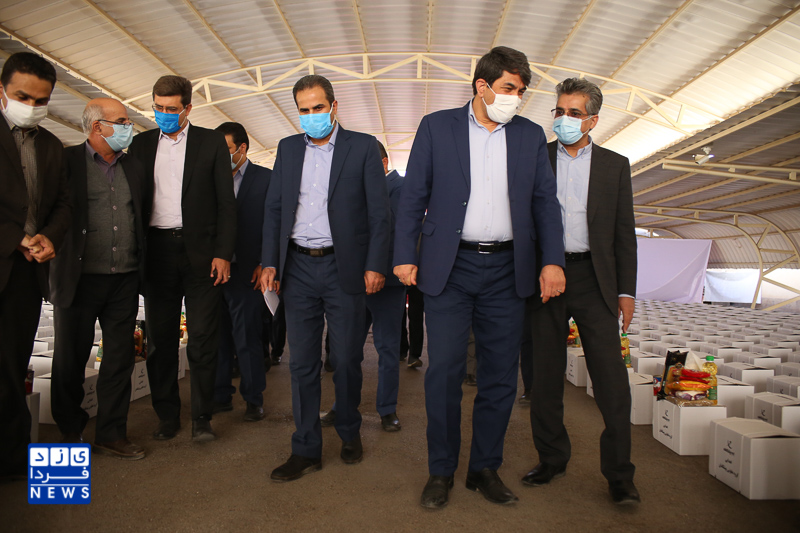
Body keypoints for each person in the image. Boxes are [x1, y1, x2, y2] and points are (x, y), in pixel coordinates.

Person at [393, 46, 565, 509]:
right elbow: (413, 196)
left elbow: (545, 202)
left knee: (500, 376)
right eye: (509, 88)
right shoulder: (437, 126)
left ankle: (484, 468)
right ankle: (441, 470)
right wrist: (404, 254)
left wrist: (552, 260)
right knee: (444, 373)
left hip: (508, 269)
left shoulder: (529, 135)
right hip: (450, 267)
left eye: (521, 91)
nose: (516, 98)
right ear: (482, 86)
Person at [261, 74, 390, 482]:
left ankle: (349, 431)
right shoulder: (287, 149)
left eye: (318, 107)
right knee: (301, 362)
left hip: (343, 266)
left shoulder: (362, 147)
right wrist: (269, 262)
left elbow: (379, 214)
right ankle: (306, 448)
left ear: (334, 107)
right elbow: (275, 209)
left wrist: (375, 265)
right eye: (304, 110)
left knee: (347, 358)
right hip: (297, 267)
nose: (311, 115)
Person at [522, 77, 639, 505]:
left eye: (574, 113)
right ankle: (551, 459)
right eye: (559, 111)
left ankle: (620, 475)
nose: (564, 119)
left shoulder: (614, 165)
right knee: (545, 377)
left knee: (612, 381)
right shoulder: (536, 158)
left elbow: (624, 233)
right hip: (546, 277)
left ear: (592, 120)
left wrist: (626, 292)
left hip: (594, 278)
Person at [128, 75, 236, 443]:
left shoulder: (210, 143)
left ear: (187, 108)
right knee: (160, 340)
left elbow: (226, 202)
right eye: (157, 107)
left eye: (171, 108)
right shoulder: (140, 145)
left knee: (203, 338)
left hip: (202, 255)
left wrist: (223, 253)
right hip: (157, 252)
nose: (163, 114)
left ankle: (202, 417)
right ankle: (167, 415)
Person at [49, 98, 146, 459]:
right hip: (78, 277)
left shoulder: (133, 166)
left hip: (124, 277)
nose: (128, 127)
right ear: (97, 127)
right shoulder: (67, 162)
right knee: (70, 358)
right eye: (121, 121)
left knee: (120, 358)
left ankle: (111, 433)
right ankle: (70, 430)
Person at [0, 52, 71, 480]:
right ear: (2, 91)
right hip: (8, 254)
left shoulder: (51, 146)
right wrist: (14, 238)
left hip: (25, 275)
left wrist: (49, 236)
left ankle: (13, 462)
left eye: (41, 100)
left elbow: (63, 203)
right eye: (22, 96)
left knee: (13, 369)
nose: (31, 106)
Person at [321, 141, 405, 432]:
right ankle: (342, 405)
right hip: (354, 281)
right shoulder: (356, 189)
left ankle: (387, 409)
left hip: (388, 282)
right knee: (347, 349)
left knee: (387, 348)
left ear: (383, 163)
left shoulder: (401, 188)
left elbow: (396, 231)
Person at [212, 121, 270, 422]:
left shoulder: (265, 179)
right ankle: (220, 395)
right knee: (216, 338)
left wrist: (266, 261)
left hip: (248, 272)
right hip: (213, 273)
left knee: (247, 337)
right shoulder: (210, 178)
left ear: (242, 148)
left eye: (226, 149)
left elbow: (274, 225)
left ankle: (253, 398)